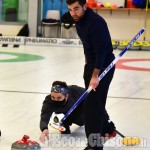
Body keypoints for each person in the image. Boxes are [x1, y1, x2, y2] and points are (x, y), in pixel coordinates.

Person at [65, 0, 116, 149]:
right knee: (94, 103)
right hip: (92, 66)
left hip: (103, 67)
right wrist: (88, 63)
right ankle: (107, 129)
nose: (73, 13)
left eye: (76, 9)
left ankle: (95, 145)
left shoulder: (96, 23)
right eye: (70, 10)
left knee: (92, 107)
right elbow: (88, 46)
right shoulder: (79, 21)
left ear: (85, 6)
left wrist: (95, 75)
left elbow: (101, 52)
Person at [39, 81, 116, 144]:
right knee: (66, 122)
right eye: (53, 97)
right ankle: (65, 123)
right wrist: (44, 129)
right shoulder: (49, 102)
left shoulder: (75, 90)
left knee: (89, 106)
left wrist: (106, 122)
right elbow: (44, 117)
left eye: (59, 98)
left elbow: (97, 102)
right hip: (68, 115)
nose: (55, 100)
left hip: (82, 112)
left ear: (66, 96)